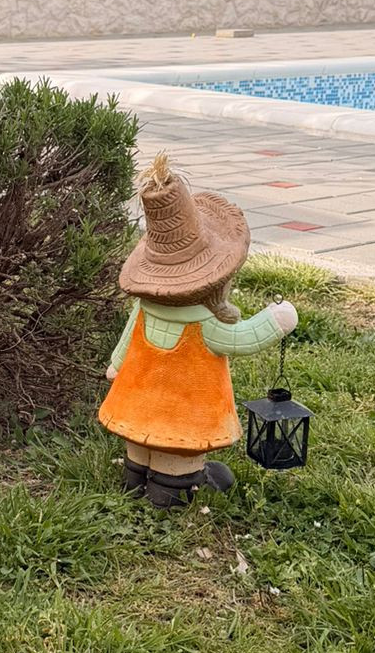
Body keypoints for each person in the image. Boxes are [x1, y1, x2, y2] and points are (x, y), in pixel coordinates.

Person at [98, 153, 297, 509]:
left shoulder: (143, 308)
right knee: (177, 449)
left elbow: (127, 339)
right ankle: (171, 488)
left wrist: (116, 364)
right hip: (182, 416)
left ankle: (136, 475)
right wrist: (276, 320)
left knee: (140, 442)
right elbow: (240, 338)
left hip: (136, 402)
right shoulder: (203, 324)